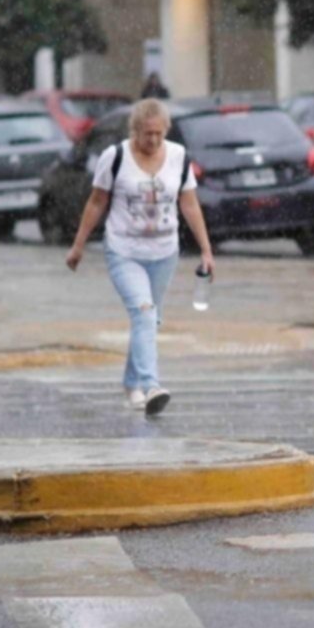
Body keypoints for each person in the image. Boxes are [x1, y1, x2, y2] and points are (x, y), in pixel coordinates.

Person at [64, 99, 215, 416]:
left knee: (149, 319)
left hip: (164, 253)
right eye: (148, 134)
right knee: (144, 312)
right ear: (135, 131)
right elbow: (96, 202)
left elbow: (189, 204)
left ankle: (132, 384)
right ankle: (151, 385)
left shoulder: (178, 158)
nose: (154, 141)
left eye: (160, 134)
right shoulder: (115, 157)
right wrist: (78, 245)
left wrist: (205, 249)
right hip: (124, 251)